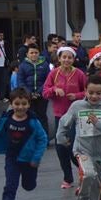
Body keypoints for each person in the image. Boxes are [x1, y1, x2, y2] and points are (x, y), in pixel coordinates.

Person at [42, 46, 86, 188]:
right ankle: (67, 177)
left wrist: (77, 96)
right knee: (61, 147)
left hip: (76, 116)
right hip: (59, 116)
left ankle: (84, 170)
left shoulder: (79, 74)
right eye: (64, 57)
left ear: (74, 59)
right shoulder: (54, 73)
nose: (66, 60)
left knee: (74, 146)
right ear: (59, 58)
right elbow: (45, 92)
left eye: (69, 57)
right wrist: (54, 89)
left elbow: (88, 92)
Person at [17, 43, 50, 138]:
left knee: (42, 116)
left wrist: (39, 92)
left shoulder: (45, 64)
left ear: (39, 53)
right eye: (31, 53)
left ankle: (44, 138)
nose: (34, 55)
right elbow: (21, 81)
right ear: (27, 54)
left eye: (36, 52)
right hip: (27, 96)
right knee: (29, 117)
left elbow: (48, 80)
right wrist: (29, 93)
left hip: (42, 95)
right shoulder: (22, 65)